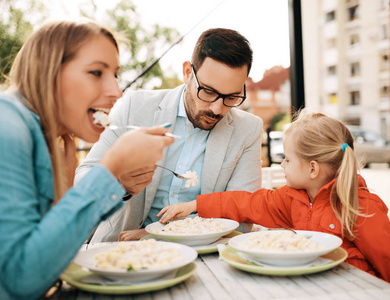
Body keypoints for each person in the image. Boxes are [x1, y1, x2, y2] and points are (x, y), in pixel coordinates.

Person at [0, 20, 174, 300]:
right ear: (48, 72)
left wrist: (112, 182)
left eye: (115, 75)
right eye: (96, 72)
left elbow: (50, 255)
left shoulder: (54, 143)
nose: (116, 93)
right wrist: (111, 167)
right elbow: (22, 275)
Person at [158, 110, 390, 293]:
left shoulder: (360, 208)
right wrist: (195, 205)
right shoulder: (290, 199)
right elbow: (247, 203)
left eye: (287, 159)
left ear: (313, 169)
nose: (282, 164)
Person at [75, 28, 263, 242]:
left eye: (232, 96)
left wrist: (164, 235)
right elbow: (84, 176)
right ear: (187, 73)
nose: (217, 109)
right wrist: (118, 183)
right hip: (120, 247)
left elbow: (242, 215)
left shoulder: (248, 128)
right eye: (208, 92)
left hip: (205, 256)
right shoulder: (134, 107)